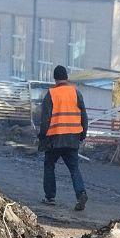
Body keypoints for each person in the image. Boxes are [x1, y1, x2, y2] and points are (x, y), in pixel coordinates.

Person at [38, 64, 88, 211]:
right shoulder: (76, 92)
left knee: (49, 166)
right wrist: (83, 133)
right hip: (72, 138)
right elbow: (84, 115)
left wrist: (42, 137)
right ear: (66, 77)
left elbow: (45, 120)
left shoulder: (51, 94)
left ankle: (50, 197)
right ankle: (81, 194)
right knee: (74, 169)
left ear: (55, 79)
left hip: (55, 138)